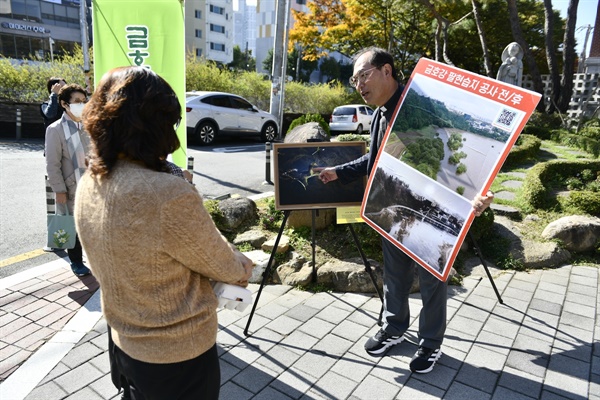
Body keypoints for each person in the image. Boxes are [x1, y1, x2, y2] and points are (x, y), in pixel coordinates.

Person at [75, 66, 253, 400]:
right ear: (156, 126)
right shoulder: (166, 193)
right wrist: (241, 263)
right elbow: (225, 266)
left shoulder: (90, 182)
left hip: (122, 340)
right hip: (177, 355)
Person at [315, 47, 494, 374]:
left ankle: (430, 343)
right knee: (394, 276)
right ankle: (395, 328)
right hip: (393, 206)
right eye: (354, 80)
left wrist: (477, 195)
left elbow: (459, 154)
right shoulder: (380, 114)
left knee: (431, 280)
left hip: (433, 210)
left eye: (363, 75)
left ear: (387, 70)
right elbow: (374, 159)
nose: (358, 85)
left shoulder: (420, 107)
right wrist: (340, 172)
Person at [45, 83, 91, 277]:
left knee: (90, 224)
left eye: (84, 101)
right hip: (71, 187)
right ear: (64, 104)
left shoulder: (89, 125)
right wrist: (60, 191)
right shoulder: (55, 130)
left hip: (91, 185)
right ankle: (76, 261)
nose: (82, 105)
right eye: (77, 102)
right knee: (72, 226)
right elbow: (52, 164)